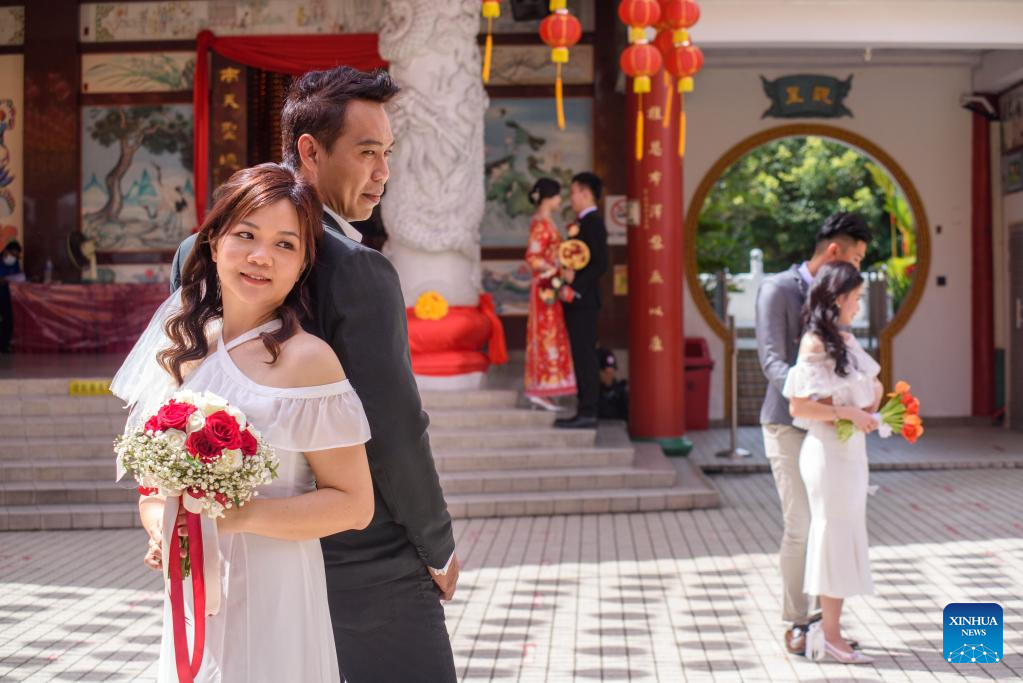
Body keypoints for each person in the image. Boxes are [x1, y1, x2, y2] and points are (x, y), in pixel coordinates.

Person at [168, 68, 458, 682]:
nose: (383, 172)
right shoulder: (358, 268)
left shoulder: (198, 251)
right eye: (367, 152)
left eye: (388, 153)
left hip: (241, 561)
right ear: (310, 151)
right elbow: (395, 430)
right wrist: (437, 545)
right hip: (364, 563)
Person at [118, 163, 376, 681]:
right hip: (192, 589)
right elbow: (152, 486)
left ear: (303, 264)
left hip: (277, 587)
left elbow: (354, 505)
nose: (261, 256)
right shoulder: (181, 348)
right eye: (246, 235)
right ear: (214, 243)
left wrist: (232, 517)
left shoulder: (308, 360)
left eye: (285, 244)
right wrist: (164, 529)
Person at [754, 211, 871, 656]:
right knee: (801, 523)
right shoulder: (777, 289)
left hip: (830, 429)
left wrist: (851, 401)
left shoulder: (841, 296)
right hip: (787, 423)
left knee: (831, 521)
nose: (857, 270)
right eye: (856, 259)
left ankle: (828, 624)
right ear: (835, 251)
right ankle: (798, 620)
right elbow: (771, 361)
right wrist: (815, 399)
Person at [784, 261, 882, 664]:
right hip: (827, 454)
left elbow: (868, 392)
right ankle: (829, 635)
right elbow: (799, 406)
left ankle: (832, 631)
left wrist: (869, 411)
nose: (859, 306)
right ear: (838, 298)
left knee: (842, 537)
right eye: (856, 298)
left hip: (850, 453)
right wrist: (850, 414)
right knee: (832, 539)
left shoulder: (844, 339)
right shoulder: (814, 343)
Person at [555, 171, 609, 429]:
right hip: (577, 300)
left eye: (574, 192)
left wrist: (575, 285)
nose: (571, 197)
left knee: (585, 355)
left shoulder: (593, 223)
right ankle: (585, 407)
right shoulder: (582, 223)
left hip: (585, 301)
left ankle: (588, 411)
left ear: (586, 194)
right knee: (580, 354)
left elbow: (600, 263)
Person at [523, 177, 576, 411]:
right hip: (544, 286)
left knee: (551, 334)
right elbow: (532, 257)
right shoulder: (541, 224)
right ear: (548, 197)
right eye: (557, 195)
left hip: (549, 284)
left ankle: (546, 388)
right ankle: (540, 387)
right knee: (545, 335)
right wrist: (555, 270)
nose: (560, 200)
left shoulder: (545, 222)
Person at [0, 239, 24, 353]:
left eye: (16, 256)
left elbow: (18, 276)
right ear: (6, 251)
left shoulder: (15, 263)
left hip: (8, 297)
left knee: (8, 321)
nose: (14, 258)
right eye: (13, 255)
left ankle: (4, 346)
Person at [596, 347, 629, 420]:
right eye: (605, 372)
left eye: (612, 371)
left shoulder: (620, 391)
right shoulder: (592, 393)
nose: (609, 375)